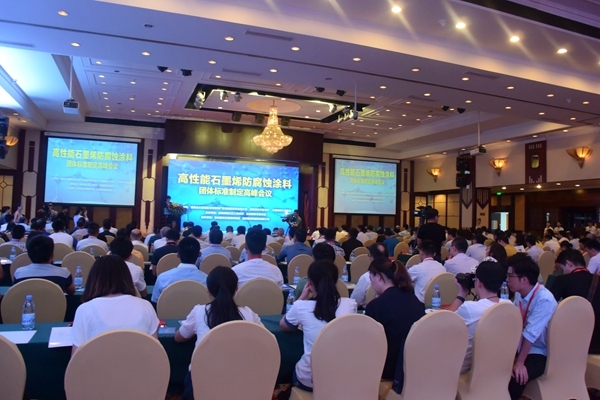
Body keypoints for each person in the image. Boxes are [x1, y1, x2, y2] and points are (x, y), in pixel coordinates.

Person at [175, 266, 263, 399]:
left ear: (208, 291)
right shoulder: (248, 314)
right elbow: (267, 339)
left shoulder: (199, 311)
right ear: (237, 288)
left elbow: (179, 338)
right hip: (241, 378)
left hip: (202, 379)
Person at [280, 260, 357, 392]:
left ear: (310, 283)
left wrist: (302, 297)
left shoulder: (301, 306)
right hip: (342, 377)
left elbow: (284, 325)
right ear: (336, 282)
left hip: (309, 379)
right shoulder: (350, 305)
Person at [71, 255, 159, 353]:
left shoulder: (84, 310)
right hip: (141, 362)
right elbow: (155, 351)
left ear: (94, 279)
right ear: (126, 277)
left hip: (98, 363)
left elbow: (76, 357)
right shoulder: (146, 306)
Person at [365, 258, 424, 386]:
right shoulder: (416, 301)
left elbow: (370, 348)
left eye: (371, 279)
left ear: (379, 277)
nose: (371, 284)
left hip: (389, 371)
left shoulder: (376, 307)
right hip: (416, 367)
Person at [506, 253, 557, 400]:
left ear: (524, 280)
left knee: (517, 377)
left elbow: (530, 333)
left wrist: (519, 362)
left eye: (510, 276)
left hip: (540, 351)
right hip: (520, 345)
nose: (507, 280)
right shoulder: (520, 293)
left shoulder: (544, 299)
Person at [448, 260, 511, 373]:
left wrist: (461, 294)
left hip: (464, 367)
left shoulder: (469, 309)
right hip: (495, 366)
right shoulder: (509, 306)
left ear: (479, 283)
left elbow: (445, 320)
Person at [550, 249, 600, 353]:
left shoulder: (562, 280)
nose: (563, 272)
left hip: (576, 341)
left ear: (568, 263)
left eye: (562, 268)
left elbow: (548, 306)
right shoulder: (597, 279)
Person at [152, 237, 208, 303]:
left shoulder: (163, 278)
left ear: (178, 255)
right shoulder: (206, 280)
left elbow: (156, 301)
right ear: (199, 254)